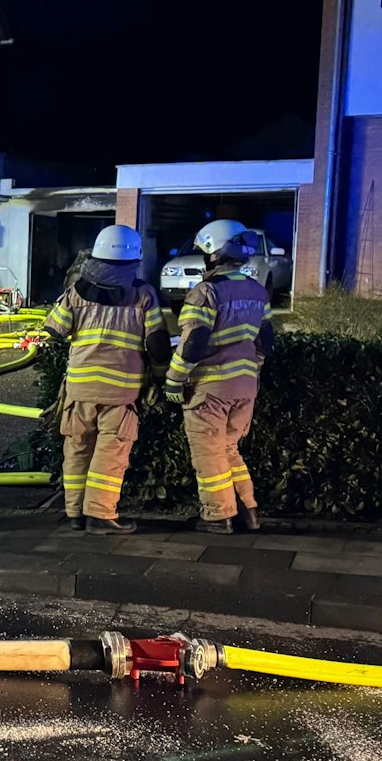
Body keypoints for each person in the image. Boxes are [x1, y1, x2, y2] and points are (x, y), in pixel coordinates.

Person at [42, 224, 170, 535]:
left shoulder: (77, 292)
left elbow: (53, 330)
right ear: (135, 258)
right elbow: (157, 343)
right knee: (110, 454)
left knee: (77, 449)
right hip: (120, 392)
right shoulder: (143, 294)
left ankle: (75, 512)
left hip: (80, 389)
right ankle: (100, 515)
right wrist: (159, 375)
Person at [165, 219, 275, 535]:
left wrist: (175, 379)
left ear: (213, 253)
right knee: (229, 449)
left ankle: (217, 517)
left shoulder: (206, 292)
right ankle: (248, 512)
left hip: (211, 387)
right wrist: (251, 372)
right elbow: (265, 342)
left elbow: (194, 341)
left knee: (209, 454)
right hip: (246, 385)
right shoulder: (257, 291)